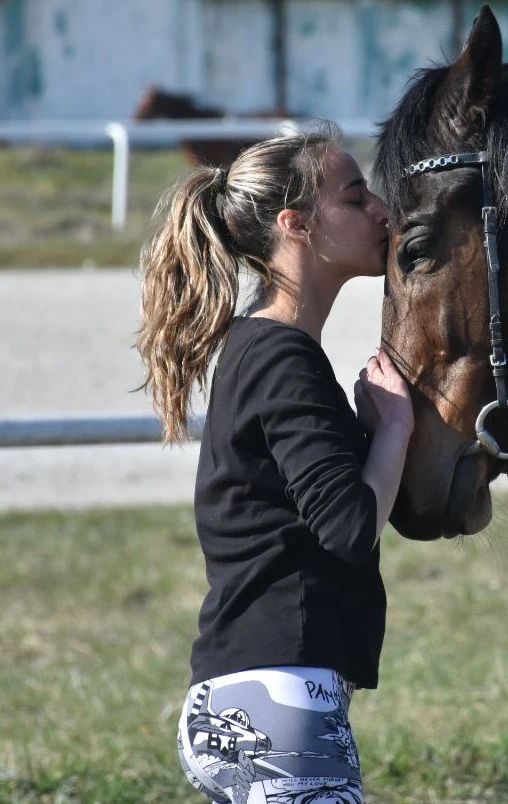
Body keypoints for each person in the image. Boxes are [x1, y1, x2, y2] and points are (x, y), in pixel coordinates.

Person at [135, 127, 413, 804]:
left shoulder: (263, 346)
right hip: (277, 704)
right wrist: (395, 430)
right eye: (356, 196)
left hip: (252, 698)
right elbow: (349, 527)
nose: (383, 211)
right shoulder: (284, 358)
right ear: (296, 224)